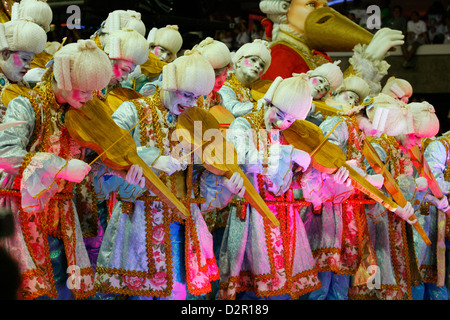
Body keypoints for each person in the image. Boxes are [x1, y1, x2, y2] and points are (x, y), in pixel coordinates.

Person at [94, 51, 224, 300]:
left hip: (181, 222)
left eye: (197, 97)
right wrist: (151, 159)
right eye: (187, 95)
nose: (192, 103)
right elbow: (105, 159)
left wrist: (220, 175)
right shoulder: (133, 110)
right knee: (138, 293)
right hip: (137, 221)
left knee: (178, 293)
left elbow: (203, 174)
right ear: (169, 84)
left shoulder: (194, 119)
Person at [0, 39, 117, 300]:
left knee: (66, 288)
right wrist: (60, 167)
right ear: (62, 78)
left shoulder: (80, 112)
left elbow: (88, 168)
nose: (91, 97)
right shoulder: (27, 105)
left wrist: (118, 170)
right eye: (84, 90)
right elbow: (5, 154)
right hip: (22, 210)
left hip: (63, 214)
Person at [211, 73, 320, 300]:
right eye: (278, 114)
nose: (281, 123)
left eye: (289, 120)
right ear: (268, 101)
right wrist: (289, 154)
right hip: (251, 215)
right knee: (250, 289)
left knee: (282, 288)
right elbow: (245, 158)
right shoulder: (243, 124)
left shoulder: (284, 136)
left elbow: (287, 180)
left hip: (284, 217)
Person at [348, 98, 440, 300]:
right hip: (374, 222)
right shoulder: (379, 145)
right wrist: (409, 188)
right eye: (416, 136)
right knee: (376, 278)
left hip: (394, 223)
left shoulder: (402, 149)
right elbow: (369, 187)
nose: (417, 142)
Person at [258, 0, 404, 88]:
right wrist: (367, 61)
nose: (321, 12)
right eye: (311, 4)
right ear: (284, 8)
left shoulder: (315, 54)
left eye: (325, 6)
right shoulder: (279, 54)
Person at [0, 19, 47, 123]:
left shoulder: (21, 83)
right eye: (25, 59)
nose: (28, 67)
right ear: (5, 54)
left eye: (30, 61)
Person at [218, 39, 271, 118]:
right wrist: (261, 105)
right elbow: (233, 109)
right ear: (239, 62)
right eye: (253, 60)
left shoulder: (257, 92)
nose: (257, 66)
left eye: (262, 65)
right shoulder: (225, 86)